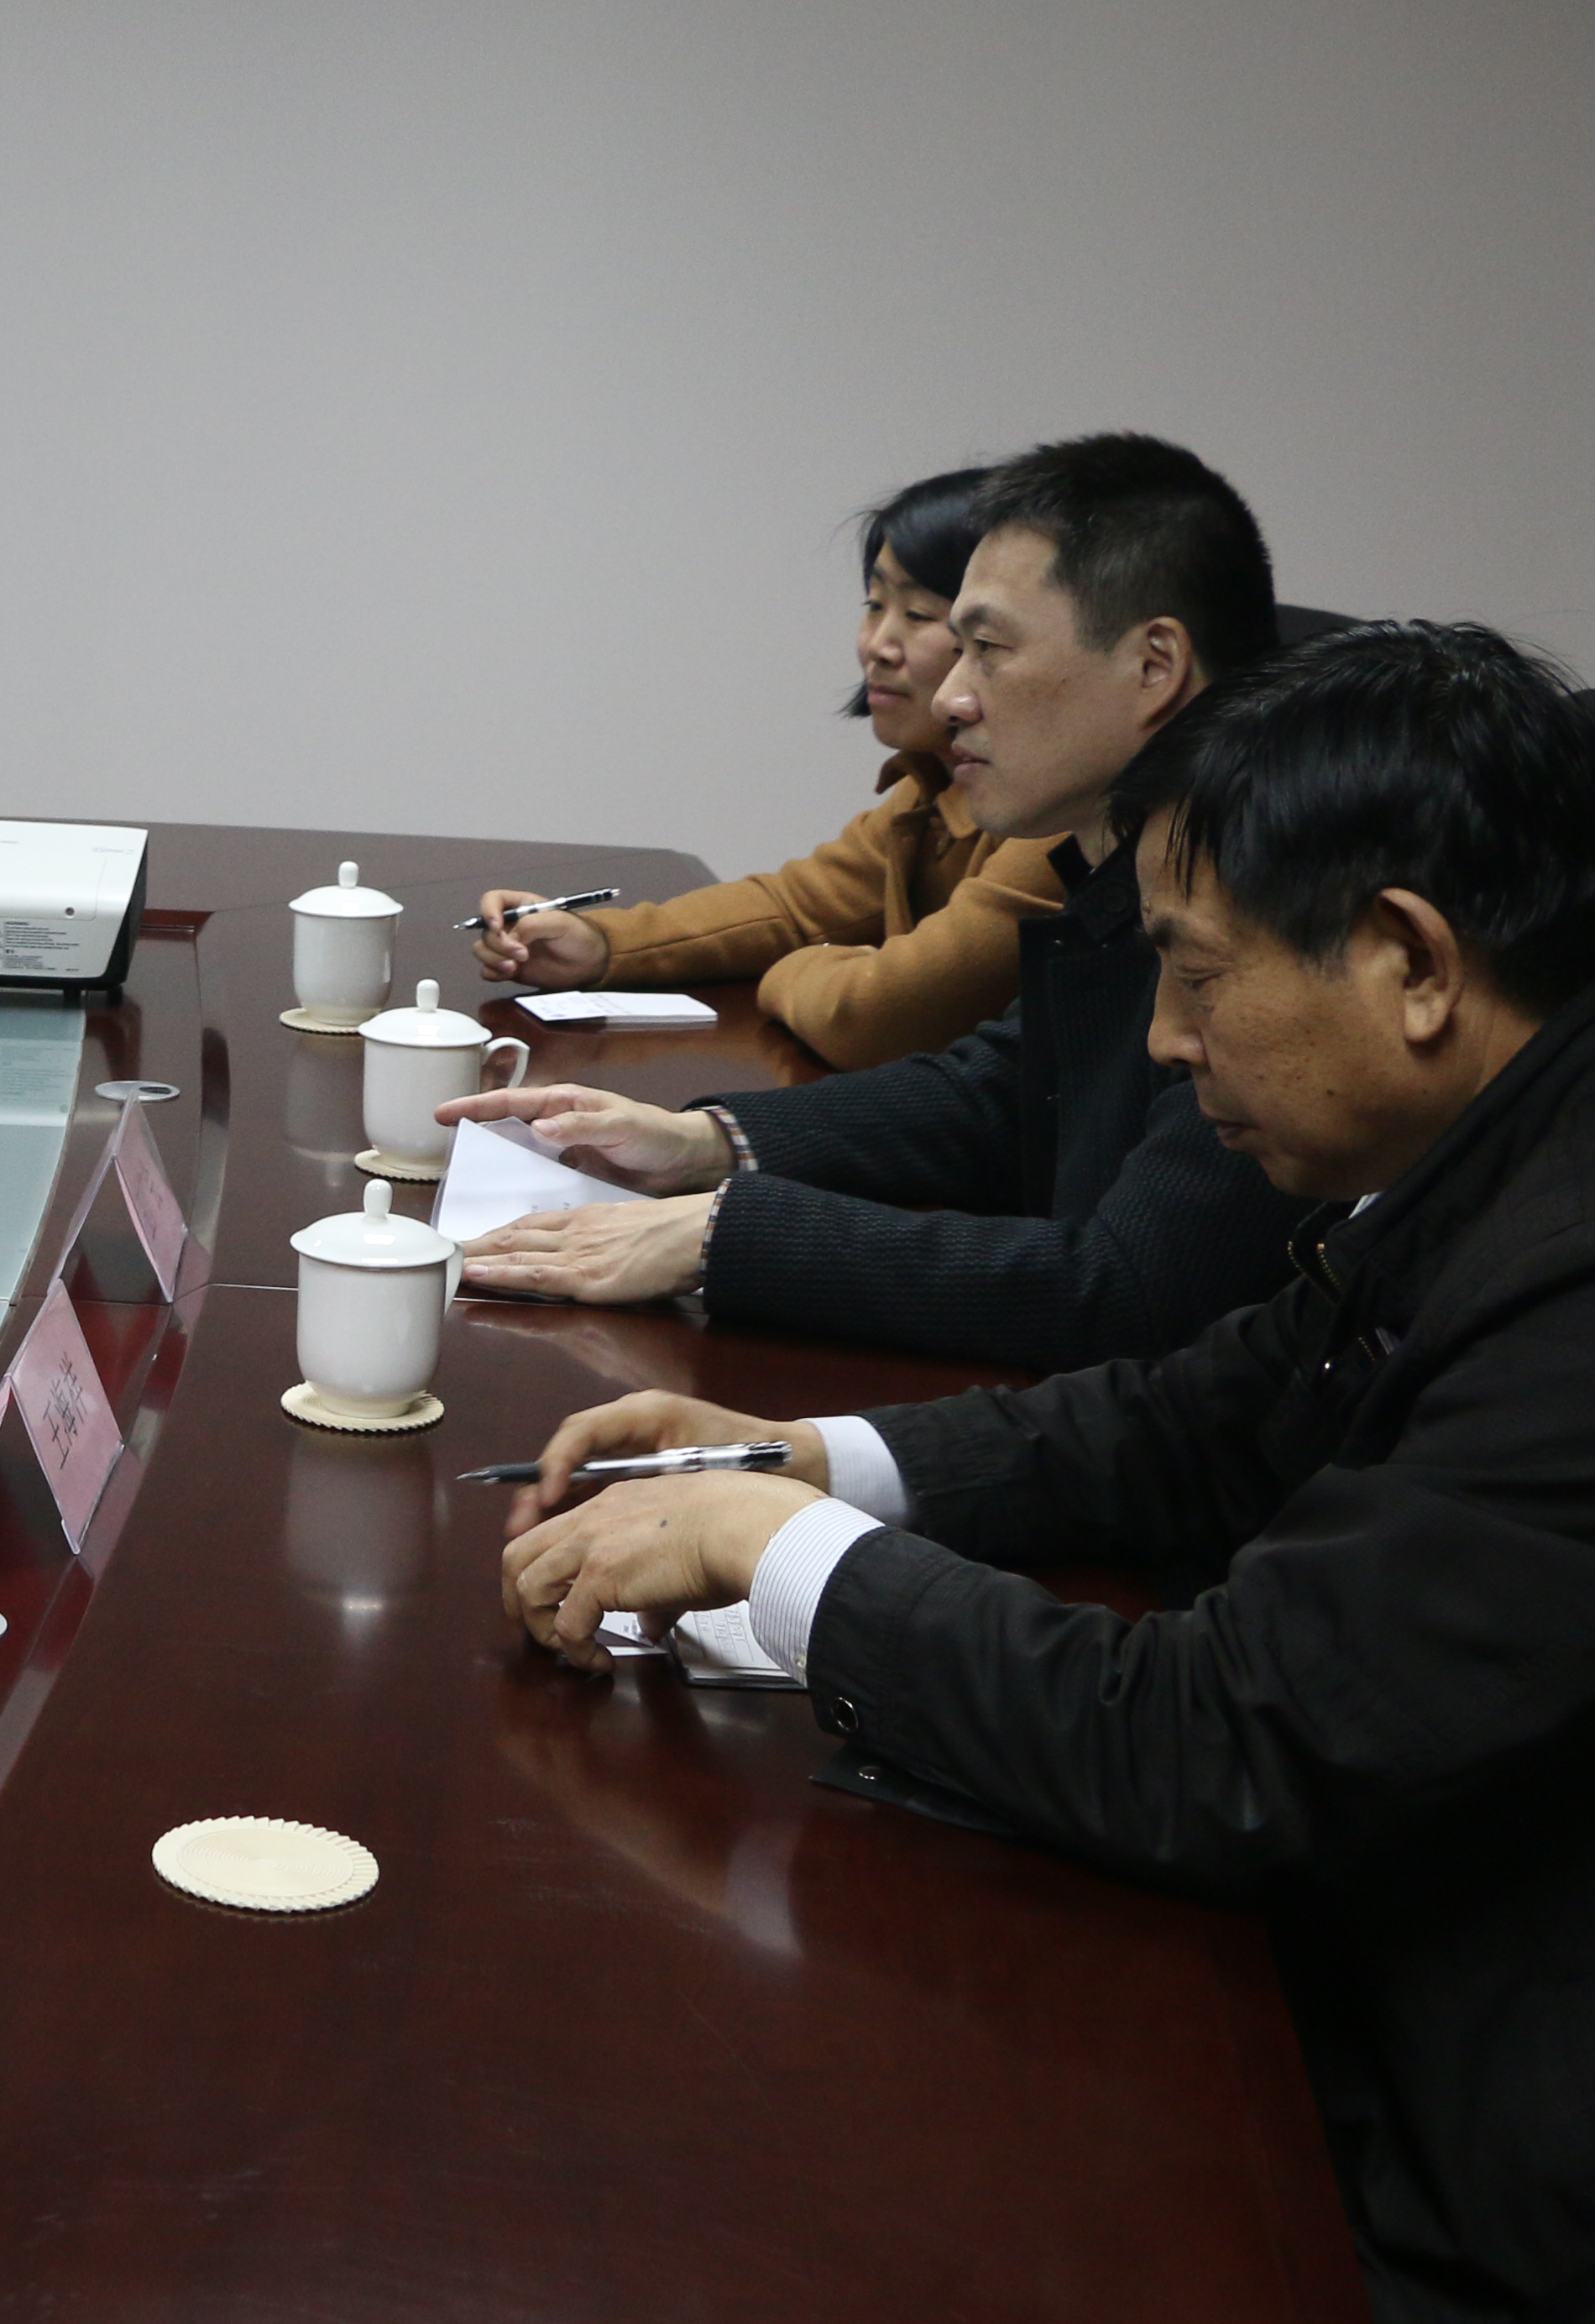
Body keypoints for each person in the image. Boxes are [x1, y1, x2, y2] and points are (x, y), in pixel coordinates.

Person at [492, 621, 1595, 2320]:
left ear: (1411, 963)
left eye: (1200, 977)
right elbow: (1187, 1417)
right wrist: (807, 1458)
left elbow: (1222, 1745)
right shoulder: (1483, 1159)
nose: (1163, 1040)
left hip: (1456, 2192)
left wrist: (777, 1549)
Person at [447, 433, 1299, 1372]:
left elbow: (1122, 1287)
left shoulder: (1273, 910)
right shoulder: (1127, 861)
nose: (955, 698)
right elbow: (1000, 1092)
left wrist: (727, 1236)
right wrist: (702, 1142)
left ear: (1154, 666)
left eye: (988, 650)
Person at [470, 467, 1066, 1069]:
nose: (877, 645)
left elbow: (872, 1017)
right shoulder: (931, 784)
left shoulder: (1054, 816)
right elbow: (798, 906)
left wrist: (805, 967)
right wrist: (600, 946)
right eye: (875, 604)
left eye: (918, 614)